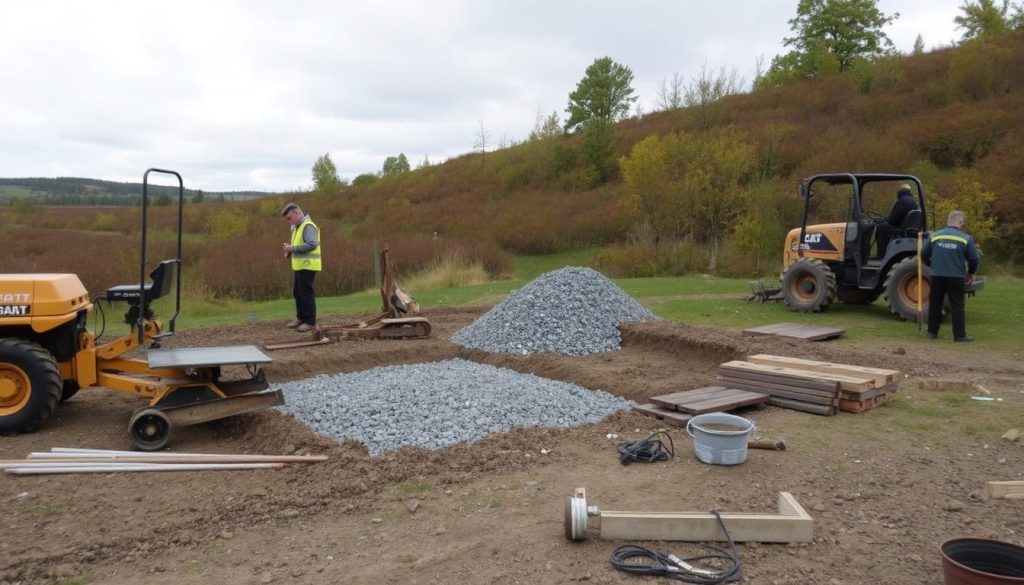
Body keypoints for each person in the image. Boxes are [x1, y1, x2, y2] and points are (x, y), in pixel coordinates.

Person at [921, 210, 980, 342]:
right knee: (957, 305)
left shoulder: (935, 236)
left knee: (935, 303)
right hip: (956, 276)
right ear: (960, 222)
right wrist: (970, 273)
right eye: (962, 223)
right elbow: (974, 259)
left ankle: (932, 332)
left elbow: (923, 254)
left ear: (949, 221)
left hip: (937, 275)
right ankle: (959, 335)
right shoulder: (965, 238)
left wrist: (932, 265)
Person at [281, 203, 321, 332]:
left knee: (306, 293)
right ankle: (301, 318)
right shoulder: (297, 227)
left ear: (297, 212)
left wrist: (292, 248)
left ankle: (310, 322)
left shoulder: (307, 226)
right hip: (300, 265)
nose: (288, 221)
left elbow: (312, 245)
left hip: (308, 265)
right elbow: (301, 245)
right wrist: (290, 251)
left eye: (289, 218)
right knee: (298, 292)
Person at [874, 183, 919, 257]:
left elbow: (892, 220)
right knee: (884, 225)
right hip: (908, 229)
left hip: (900, 229)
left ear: (900, 192)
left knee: (881, 227)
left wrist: (880, 221)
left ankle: (881, 255)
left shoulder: (902, 202)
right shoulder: (913, 202)